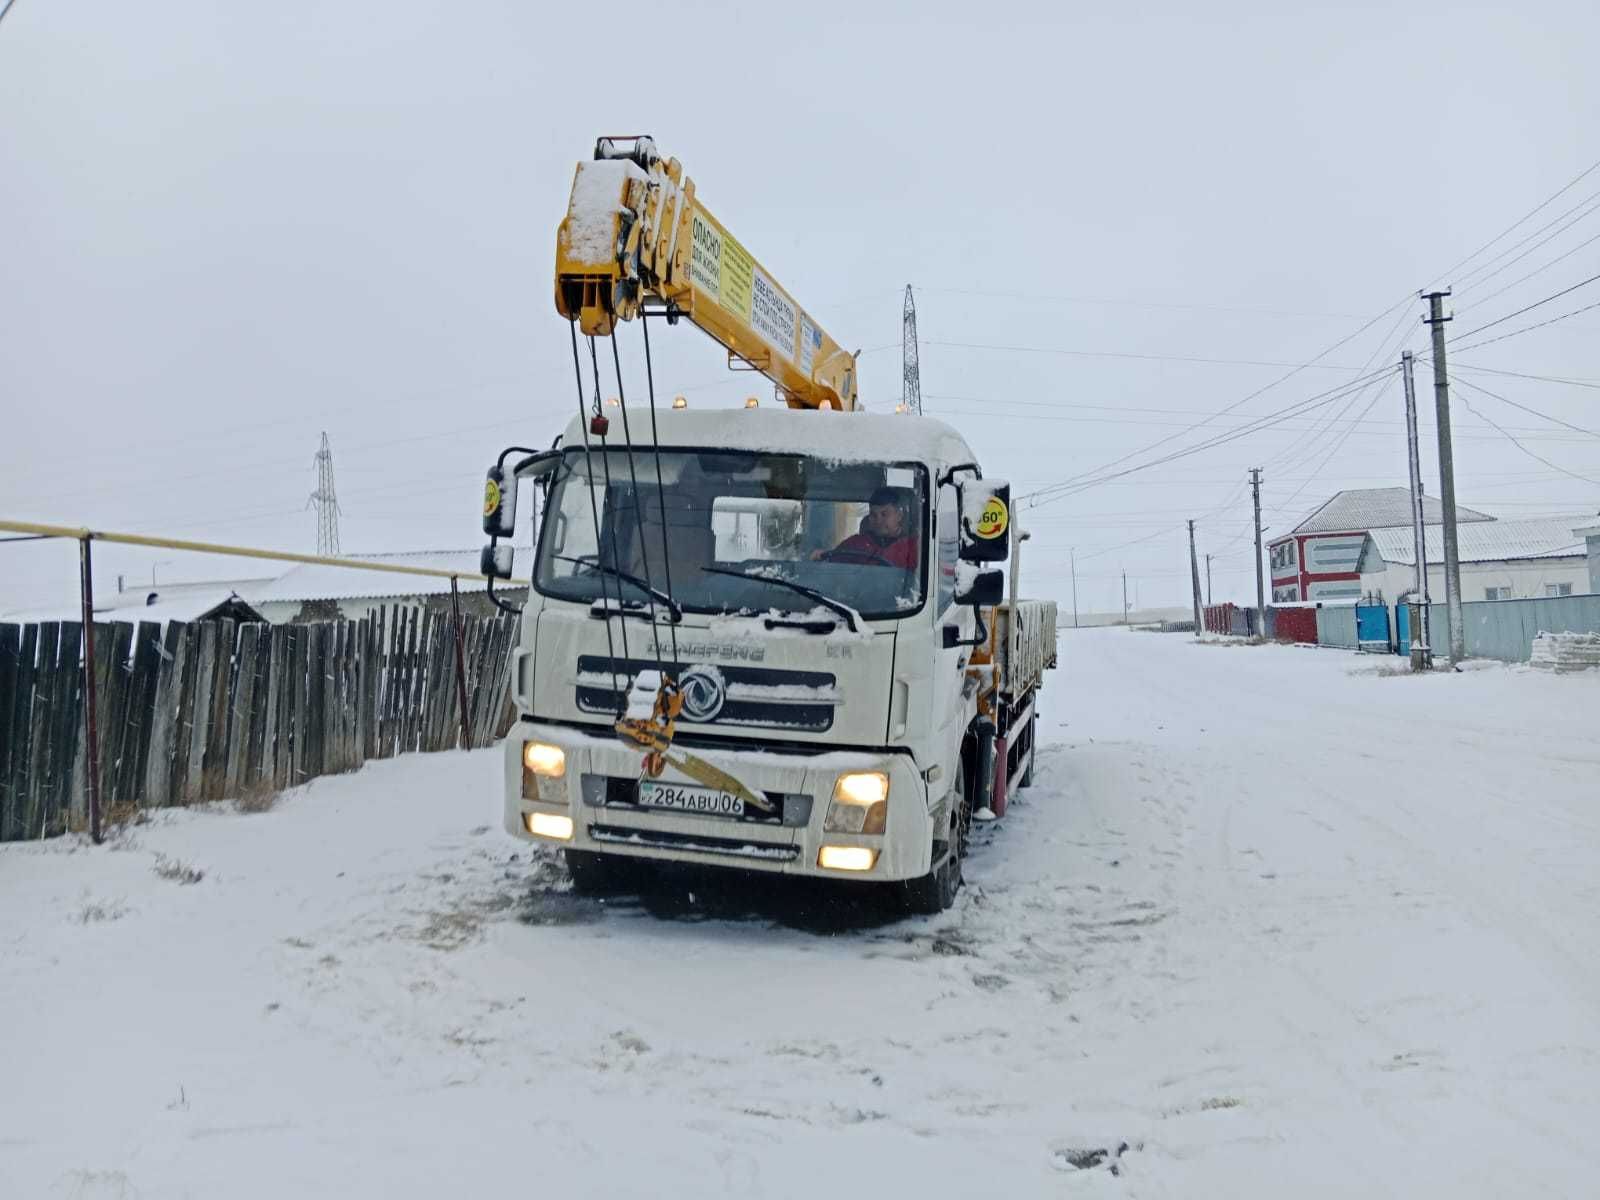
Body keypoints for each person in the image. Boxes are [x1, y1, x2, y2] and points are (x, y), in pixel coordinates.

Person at [812, 485, 919, 568]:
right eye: (873, 515)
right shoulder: (854, 543)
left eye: (884, 514)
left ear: (899, 516)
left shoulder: (913, 547)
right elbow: (831, 568)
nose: (878, 520)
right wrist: (820, 557)